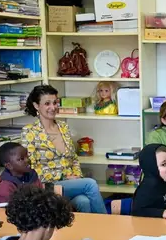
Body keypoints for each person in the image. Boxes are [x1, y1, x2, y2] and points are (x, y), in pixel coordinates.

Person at [21, 84, 107, 214]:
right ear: (36, 106)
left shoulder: (63, 126)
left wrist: (77, 176)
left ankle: (88, 233)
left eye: (55, 102)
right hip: (47, 185)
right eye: (47, 103)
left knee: (84, 202)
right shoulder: (29, 131)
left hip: (69, 183)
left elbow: (74, 158)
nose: (53, 107)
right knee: (90, 184)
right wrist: (64, 177)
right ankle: (106, 227)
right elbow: (30, 167)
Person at [132, 144, 166, 218]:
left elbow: (157, 196)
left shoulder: (160, 180)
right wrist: (161, 213)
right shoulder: (148, 188)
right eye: (164, 164)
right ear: (152, 167)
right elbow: (138, 211)